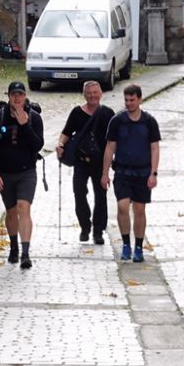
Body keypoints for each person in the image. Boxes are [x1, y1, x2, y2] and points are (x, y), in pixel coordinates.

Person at [0, 81, 45, 269]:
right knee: (11, 211)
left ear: (25, 96)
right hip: (5, 173)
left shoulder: (34, 118)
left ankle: (25, 253)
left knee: (24, 207)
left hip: (27, 172)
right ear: (8, 96)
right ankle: (14, 247)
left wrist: (25, 125)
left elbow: (38, 145)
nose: (17, 98)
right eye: (13, 94)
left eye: (20, 94)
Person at [101, 84, 160, 263]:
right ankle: (126, 243)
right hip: (122, 171)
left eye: (132, 100)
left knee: (140, 210)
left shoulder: (149, 122)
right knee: (122, 206)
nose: (129, 103)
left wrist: (154, 173)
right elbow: (110, 147)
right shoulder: (117, 121)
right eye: (126, 100)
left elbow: (155, 148)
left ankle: (139, 246)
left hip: (143, 172)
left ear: (140, 99)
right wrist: (104, 173)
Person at [56, 80, 114, 245]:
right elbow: (66, 133)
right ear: (84, 95)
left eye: (95, 93)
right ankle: (85, 226)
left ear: (100, 94)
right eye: (89, 93)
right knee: (79, 193)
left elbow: (113, 140)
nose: (92, 96)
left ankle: (98, 231)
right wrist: (60, 144)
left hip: (100, 162)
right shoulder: (77, 112)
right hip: (81, 161)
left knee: (101, 196)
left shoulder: (108, 113)